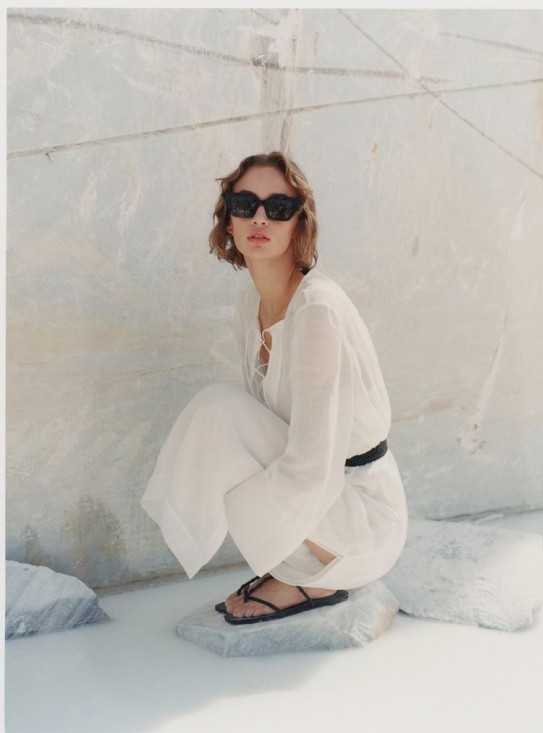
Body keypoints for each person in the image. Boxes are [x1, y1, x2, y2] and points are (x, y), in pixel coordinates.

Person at [140, 151, 408, 625]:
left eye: (279, 208)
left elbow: (313, 461)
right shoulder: (250, 305)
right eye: (245, 204)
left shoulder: (317, 310)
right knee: (222, 414)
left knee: (221, 411)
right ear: (228, 220)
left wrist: (241, 509)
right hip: (323, 506)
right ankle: (294, 564)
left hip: (362, 521)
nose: (260, 218)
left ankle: (313, 577)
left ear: (299, 224)